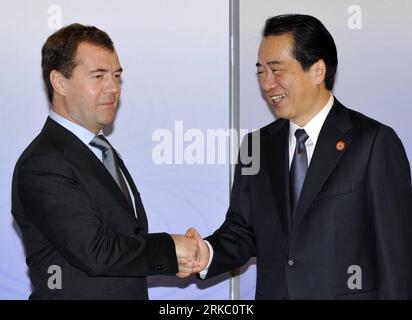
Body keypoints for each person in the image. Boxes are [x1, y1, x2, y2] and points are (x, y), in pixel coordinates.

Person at [188, 14, 412, 299]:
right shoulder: (256, 145)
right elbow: (242, 231)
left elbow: (397, 257)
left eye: (277, 69)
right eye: (261, 72)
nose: (267, 84)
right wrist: (204, 253)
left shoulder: (373, 143)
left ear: (317, 71)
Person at [11, 23, 198, 300]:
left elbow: (126, 238)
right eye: (98, 76)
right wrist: (170, 249)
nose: (113, 88)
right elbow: (96, 251)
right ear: (59, 82)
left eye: (117, 76)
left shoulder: (101, 150)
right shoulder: (43, 163)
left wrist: (176, 256)